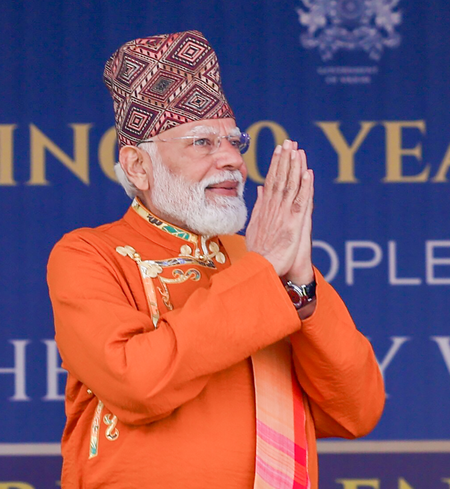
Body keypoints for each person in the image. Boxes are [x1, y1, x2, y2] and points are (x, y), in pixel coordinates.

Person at [47, 30, 384, 489]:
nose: (232, 161)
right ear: (138, 166)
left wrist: (300, 287)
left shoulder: (259, 258)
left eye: (235, 142)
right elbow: (135, 385)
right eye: (202, 142)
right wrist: (262, 276)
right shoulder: (89, 254)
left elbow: (358, 412)